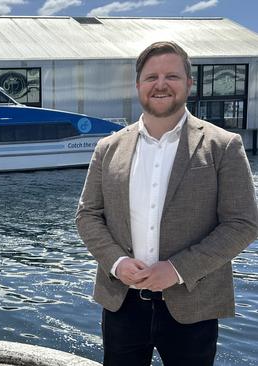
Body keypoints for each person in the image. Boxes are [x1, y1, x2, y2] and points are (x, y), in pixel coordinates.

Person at [76, 41, 258, 365]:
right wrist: (117, 263)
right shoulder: (107, 148)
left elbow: (243, 223)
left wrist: (176, 270)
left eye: (171, 76)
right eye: (151, 77)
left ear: (189, 83)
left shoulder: (223, 146)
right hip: (122, 303)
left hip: (193, 304)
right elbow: (87, 215)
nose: (160, 85)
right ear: (138, 86)